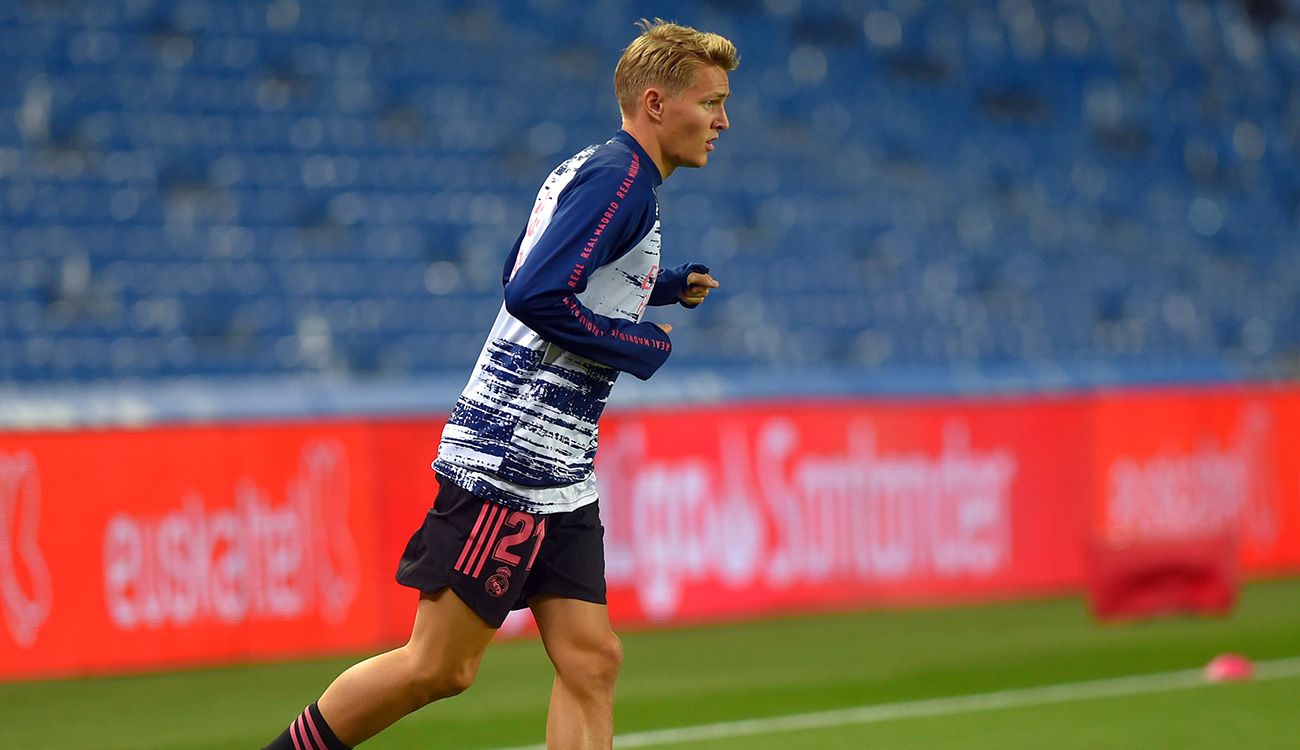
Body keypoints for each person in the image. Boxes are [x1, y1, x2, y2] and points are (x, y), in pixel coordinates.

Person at [263, 18, 738, 750]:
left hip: (561, 469)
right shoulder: (622, 182)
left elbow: (537, 270)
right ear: (654, 103)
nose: (722, 120)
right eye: (710, 103)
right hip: (513, 459)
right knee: (439, 667)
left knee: (592, 658)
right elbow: (534, 293)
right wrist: (642, 343)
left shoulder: (595, 169)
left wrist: (664, 287)